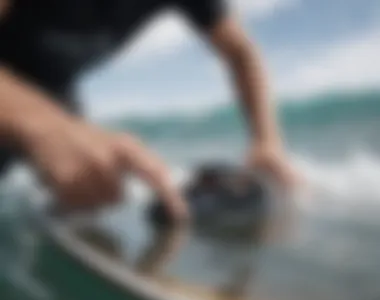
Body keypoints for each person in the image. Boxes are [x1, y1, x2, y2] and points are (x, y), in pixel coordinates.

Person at [0, 0, 299, 221]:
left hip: (58, 95)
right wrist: (42, 126)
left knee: (91, 185)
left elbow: (240, 52)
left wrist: (267, 143)